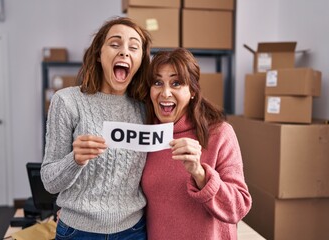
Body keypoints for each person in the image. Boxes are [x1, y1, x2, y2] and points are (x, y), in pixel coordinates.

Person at [41, 17, 152, 239]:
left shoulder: (146, 108)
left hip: (133, 231)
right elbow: (49, 182)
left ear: (141, 60)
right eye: (115, 44)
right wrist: (75, 160)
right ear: (99, 55)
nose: (124, 52)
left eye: (134, 47)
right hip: (78, 231)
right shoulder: (66, 101)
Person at [141, 48, 252, 240]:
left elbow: (238, 208)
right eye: (158, 82)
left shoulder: (219, 133)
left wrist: (200, 174)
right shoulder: (146, 135)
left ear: (192, 90)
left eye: (176, 83)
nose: (165, 92)